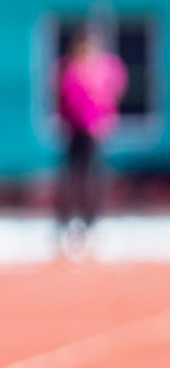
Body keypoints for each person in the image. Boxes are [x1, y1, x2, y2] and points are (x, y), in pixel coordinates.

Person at [55, 26, 127, 254]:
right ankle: (68, 222)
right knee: (75, 177)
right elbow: (66, 99)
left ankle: (91, 222)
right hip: (76, 131)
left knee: (95, 177)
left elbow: (113, 93)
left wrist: (106, 119)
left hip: (96, 132)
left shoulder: (105, 68)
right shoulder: (70, 69)